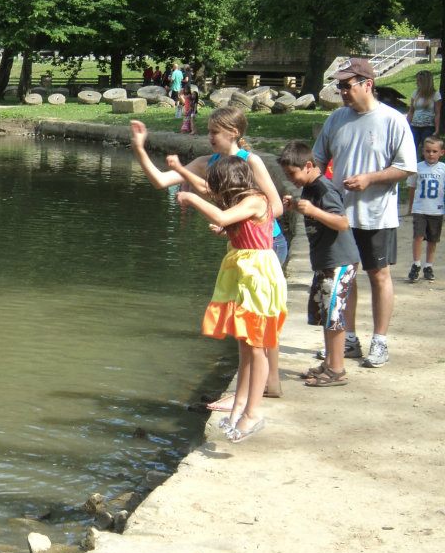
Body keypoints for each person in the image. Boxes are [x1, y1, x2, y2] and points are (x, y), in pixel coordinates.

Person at [129, 107, 286, 407]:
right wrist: (139, 148)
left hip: (267, 245)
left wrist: (234, 219)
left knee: (259, 322)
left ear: (234, 133)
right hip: (240, 248)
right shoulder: (208, 163)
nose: (209, 136)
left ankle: (266, 384)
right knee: (249, 323)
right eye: (209, 130)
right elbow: (161, 181)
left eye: (215, 131)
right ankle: (258, 388)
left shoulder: (250, 161)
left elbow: (275, 207)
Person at [312, 58, 417, 368]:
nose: (342, 91)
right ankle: (350, 338)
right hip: (340, 215)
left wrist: (370, 178)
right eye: (340, 86)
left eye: (347, 85)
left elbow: (406, 167)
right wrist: (315, 190)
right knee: (346, 277)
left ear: (367, 84)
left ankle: (380, 341)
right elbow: (318, 159)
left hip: (376, 215)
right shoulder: (336, 119)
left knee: (379, 275)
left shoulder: (393, 120)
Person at [175, 156, 287, 441]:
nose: (216, 193)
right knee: (244, 343)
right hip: (242, 275)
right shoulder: (242, 203)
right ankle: (239, 405)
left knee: (257, 345)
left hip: (258, 278)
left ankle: (253, 413)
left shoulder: (255, 199)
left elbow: (222, 215)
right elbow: (229, 220)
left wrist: (190, 196)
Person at [278, 141, 360, 387]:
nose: (291, 179)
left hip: (339, 261)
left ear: (308, 165)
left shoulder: (324, 188)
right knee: (326, 314)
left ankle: (337, 369)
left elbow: (342, 222)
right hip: (324, 261)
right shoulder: (310, 189)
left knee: (334, 315)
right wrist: (297, 206)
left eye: (292, 174)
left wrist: (313, 210)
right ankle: (329, 362)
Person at [405, 136, 445, 282]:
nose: (431, 154)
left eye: (435, 151)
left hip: (437, 210)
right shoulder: (417, 167)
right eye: (428, 151)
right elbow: (412, 187)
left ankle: (429, 266)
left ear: (441, 152)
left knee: (433, 239)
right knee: (418, 236)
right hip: (420, 209)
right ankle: (416, 264)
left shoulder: (443, 169)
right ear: (423, 151)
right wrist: (411, 207)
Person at [406, 70, 441, 151]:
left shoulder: (436, 95)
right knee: (411, 148)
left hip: (428, 127)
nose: (417, 83)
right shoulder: (415, 93)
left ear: (425, 82)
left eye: (419, 81)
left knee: (426, 149)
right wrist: (406, 125)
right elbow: (411, 111)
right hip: (414, 126)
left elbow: (437, 113)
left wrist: (437, 130)